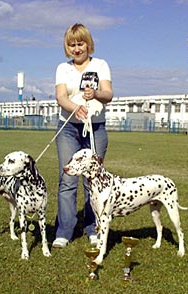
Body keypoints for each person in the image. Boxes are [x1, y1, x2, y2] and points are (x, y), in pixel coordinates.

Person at [52, 23, 113, 248]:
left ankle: (93, 228)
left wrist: (95, 93)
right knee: (67, 179)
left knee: (92, 181)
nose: (77, 48)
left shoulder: (101, 65)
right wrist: (74, 108)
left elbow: (108, 94)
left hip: (95, 128)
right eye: (72, 44)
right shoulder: (62, 68)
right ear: (67, 47)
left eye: (81, 43)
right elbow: (60, 97)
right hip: (68, 129)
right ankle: (64, 231)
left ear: (88, 44)